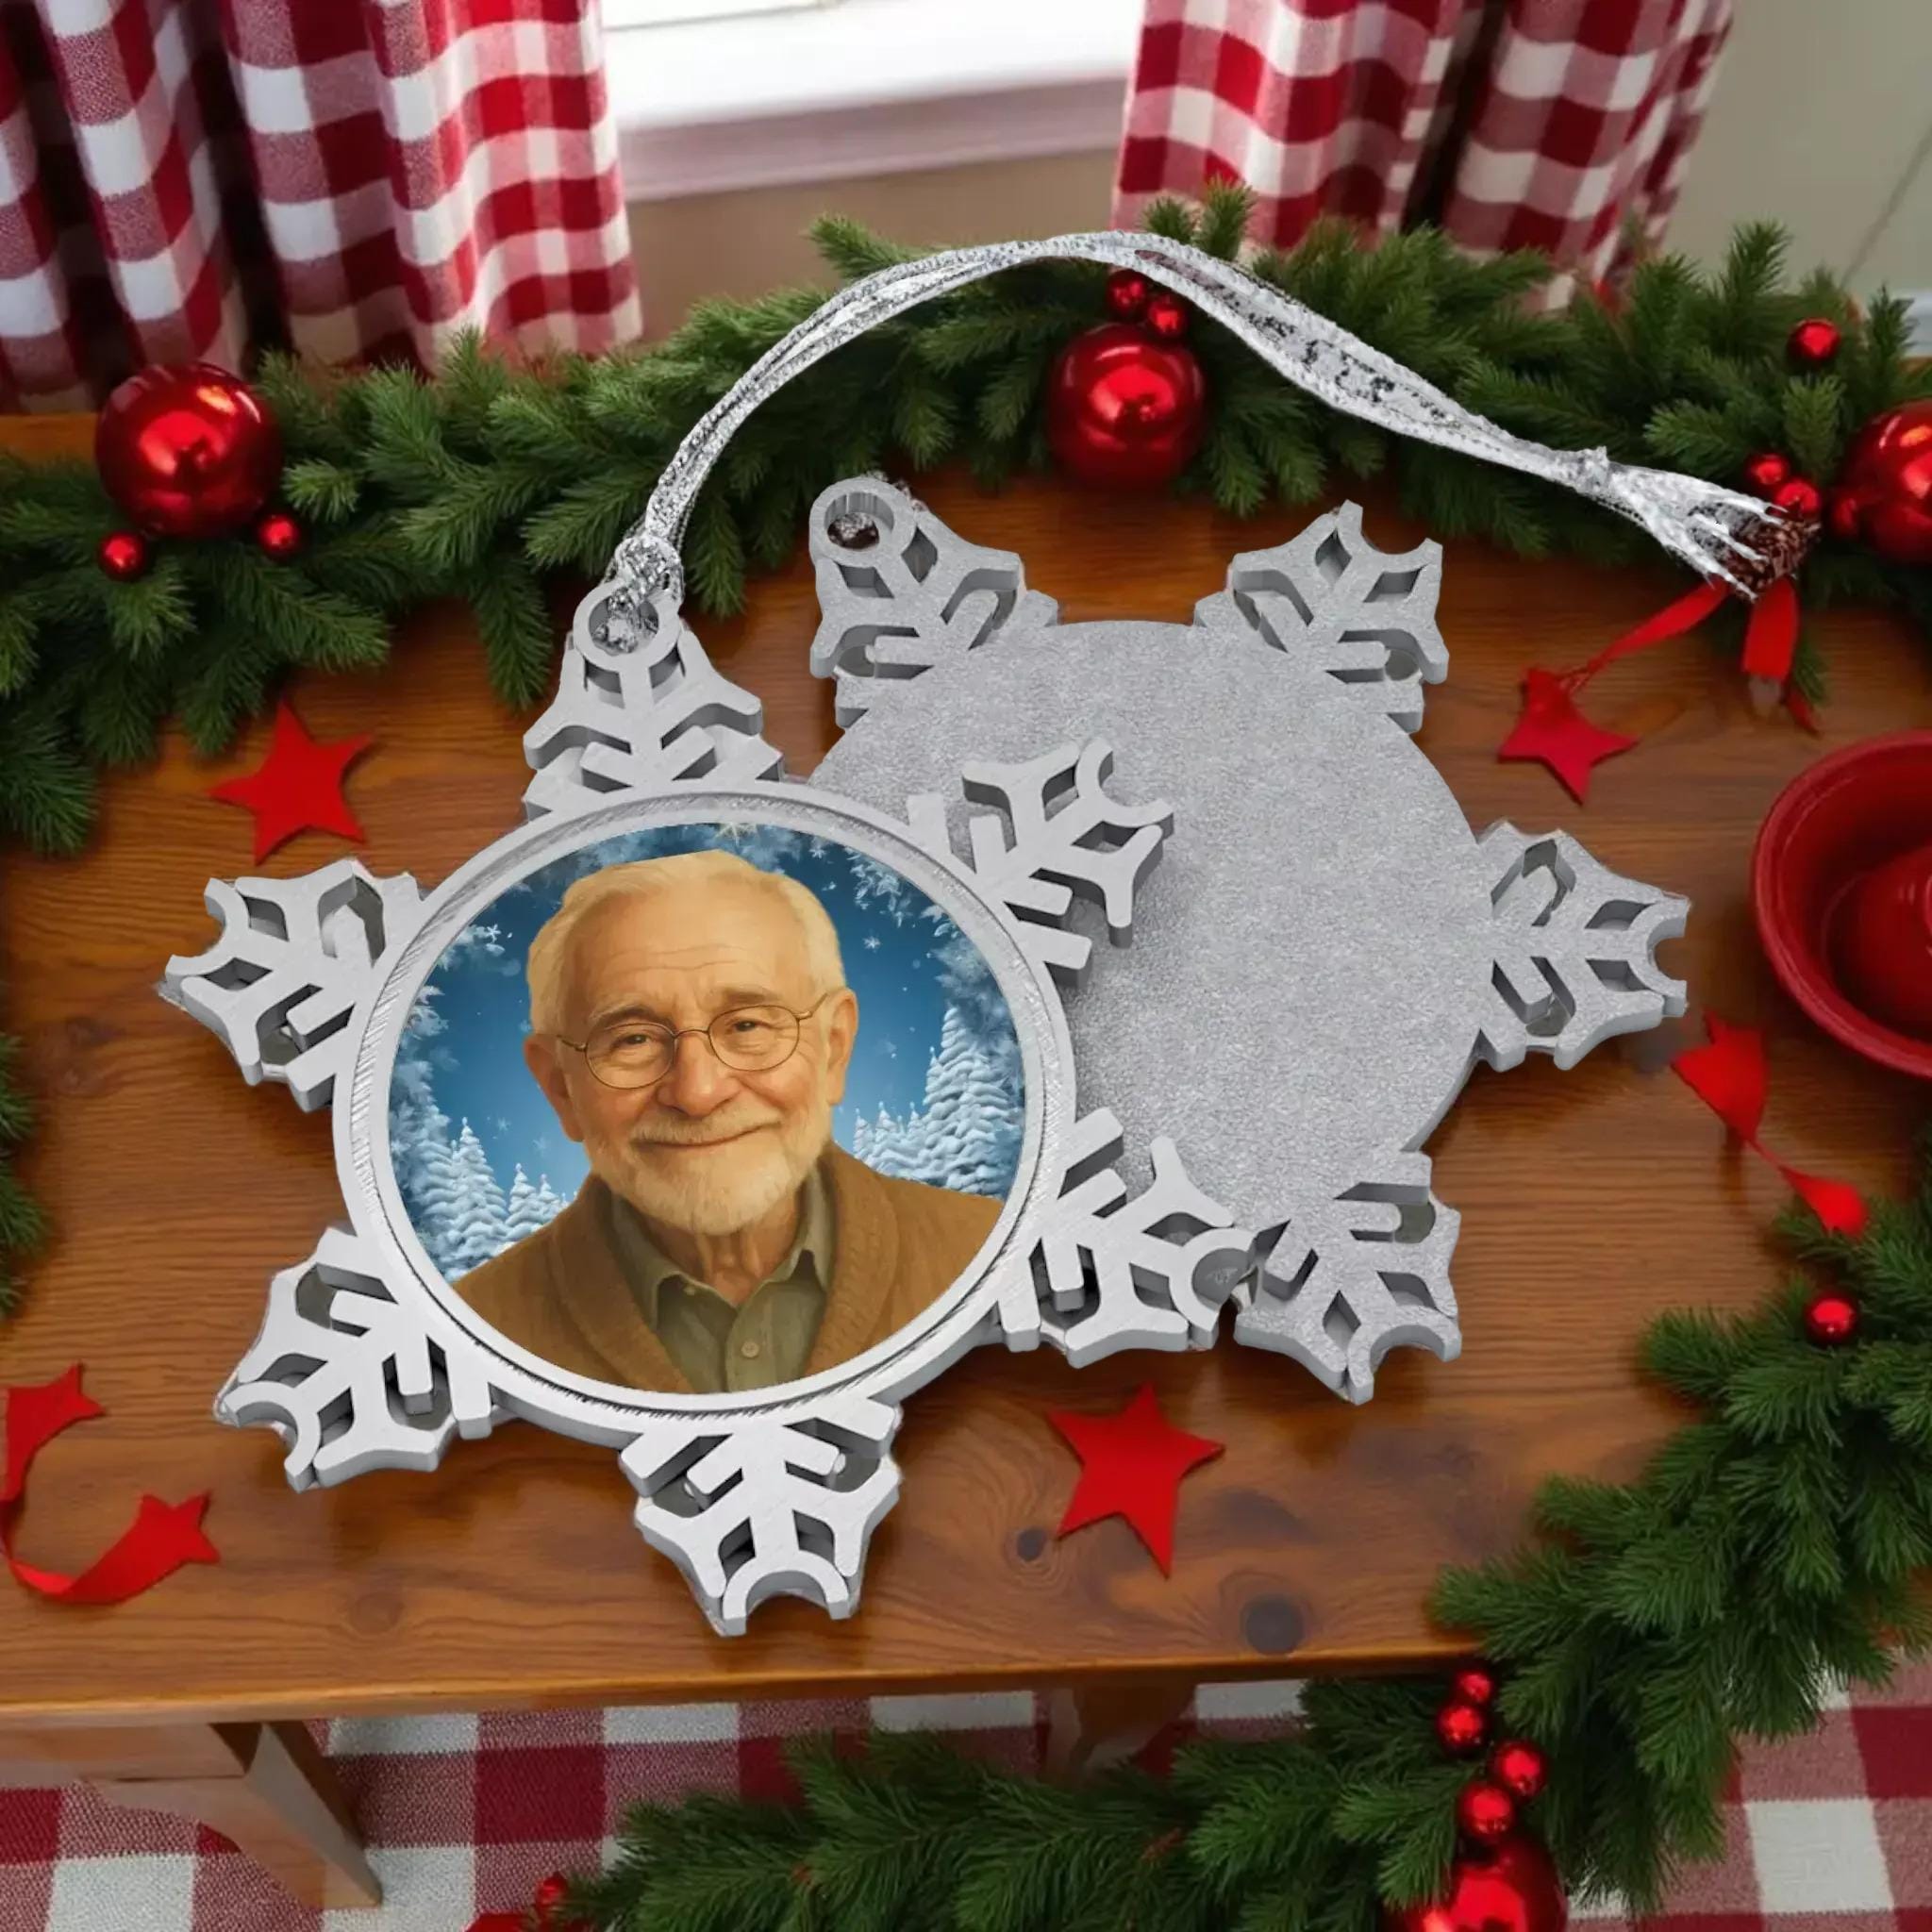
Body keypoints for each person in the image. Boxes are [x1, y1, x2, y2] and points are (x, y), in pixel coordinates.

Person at [454, 849, 1003, 1393]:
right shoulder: (469, 1334)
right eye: (634, 1039)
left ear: (833, 1048)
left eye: (747, 1026)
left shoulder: (988, 1253)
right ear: (560, 1087)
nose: (698, 1092)